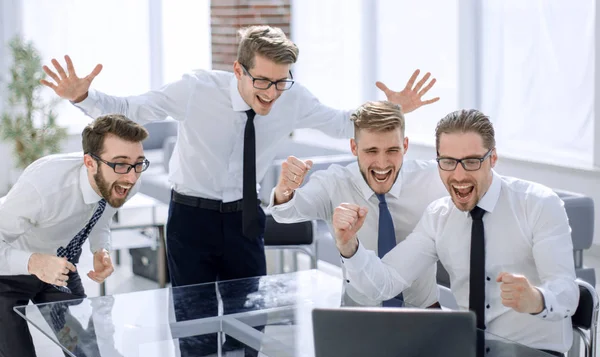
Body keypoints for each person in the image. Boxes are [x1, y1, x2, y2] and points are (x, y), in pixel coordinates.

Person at [40, 25, 439, 289]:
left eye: (281, 81)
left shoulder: (292, 97)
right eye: (262, 81)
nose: (272, 92)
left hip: (246, 220)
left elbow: (342, 123)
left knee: (251, 320)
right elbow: (132, 108)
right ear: (238, 70)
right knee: (192, 322)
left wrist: (393, 111)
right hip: (190, 219)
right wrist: (83, 97)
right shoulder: (196, 88)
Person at [333, 109, 578, 357]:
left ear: (493, 158)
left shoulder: (538, 204)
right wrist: (349, 248)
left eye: (471, 161)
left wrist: (536, 299)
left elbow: (568, 293)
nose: (459, 175)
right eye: (448, 162)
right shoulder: (438, 217)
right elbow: (384, 282)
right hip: (469, 356)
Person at [0, 114, 149, 357]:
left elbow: (104, 211)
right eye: (121, 164)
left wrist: (99, 248)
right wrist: (34, 262)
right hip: (6, 274)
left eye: (138, 164)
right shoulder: (44, 187)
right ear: (90, 162)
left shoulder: (127, 180)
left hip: (58, 269)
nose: (132, 176)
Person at [268, 100, 446, 308]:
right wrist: (285, 191)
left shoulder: (432, 178)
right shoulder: (334, 183)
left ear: (405, 146)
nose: (382, 163)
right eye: (371, 151)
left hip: (424, 312)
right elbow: (286, 213)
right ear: (354, 147)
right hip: (358, 313)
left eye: (392, 150)